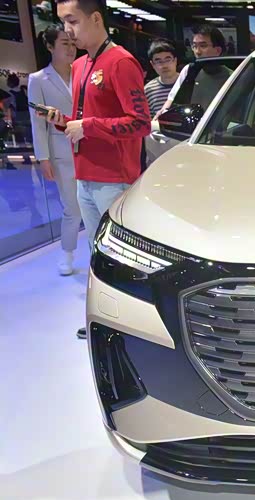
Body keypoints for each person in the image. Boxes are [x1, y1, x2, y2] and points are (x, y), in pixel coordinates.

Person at [41, 0, 151, 339]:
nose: (67, 30)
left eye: (72, 20)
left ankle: (132, 327)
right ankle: (105, 320)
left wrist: (88, 126)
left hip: (113, 179)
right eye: (63, 22)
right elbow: (85, 119)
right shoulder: (81, 65)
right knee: (98, 253)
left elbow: (140, 123)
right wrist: (63, 122)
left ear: (96, 18)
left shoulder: (120, 62)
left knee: (122, 257)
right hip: (85, 175)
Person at [27, 24, 80, 276]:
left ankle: (98, 253)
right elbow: (37, 123)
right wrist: (43, 158)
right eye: (64, 43)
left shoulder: (83, 72)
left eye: (73, 43)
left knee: (95, 204)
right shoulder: (38, 80)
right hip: (61, 152)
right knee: (72, 207)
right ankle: (67, 253)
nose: (71, 49)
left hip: (91, 148)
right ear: (50, 46)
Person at [158, 24, 225, 117]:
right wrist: (162, 114)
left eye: (203, 46)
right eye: (194, 46)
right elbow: (172, 99)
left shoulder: (232, 76)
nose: (197, 51)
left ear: (218, 50)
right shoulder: (189, 70)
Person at [144, 39, 179, 117]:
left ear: (175, 61)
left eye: (168, 60)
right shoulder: (148, 90)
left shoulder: (189, 82)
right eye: (159, 61)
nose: (164, 65)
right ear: (152, 64)